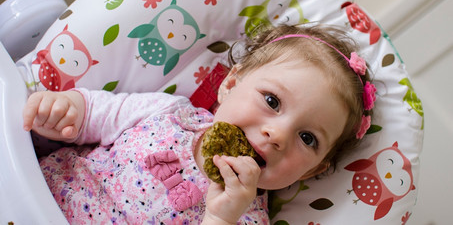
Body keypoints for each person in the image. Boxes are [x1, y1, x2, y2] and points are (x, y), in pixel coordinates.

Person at [23, 24, 376, 224]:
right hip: (29, 197)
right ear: (231, 84)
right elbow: (98, 114)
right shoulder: (169, 114)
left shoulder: (246, 219)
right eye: (272, 101)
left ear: (310, 173)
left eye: (307, 138)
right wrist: (66, 109)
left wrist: (220, 219)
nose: (278, 134)